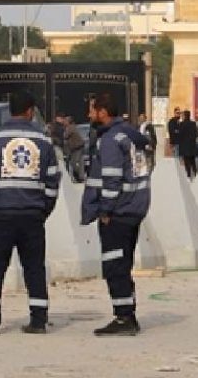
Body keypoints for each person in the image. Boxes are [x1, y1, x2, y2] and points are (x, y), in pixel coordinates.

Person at [0, 90, 60, 335]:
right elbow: (53, 180)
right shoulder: (43, 140)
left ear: (10, 109)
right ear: (31, 111)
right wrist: (45, 209)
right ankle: (39, 320)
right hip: (32, 214)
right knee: (34, 268)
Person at [82, 92, 151, 337]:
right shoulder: (131, 135)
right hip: (135, 207)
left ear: (103, 111)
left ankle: (124, 318)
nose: (89, 115)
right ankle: (128, 312)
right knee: (123, 263)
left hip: (118, 212)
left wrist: (105, 210)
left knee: (114, 265)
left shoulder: (111, 139)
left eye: (92, 110)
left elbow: (111, 178)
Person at [176, 110, 198, 178]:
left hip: (184, 146)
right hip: (192, 146)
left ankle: (188, 175)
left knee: (187, 163)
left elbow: (180, 135)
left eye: (182, 115)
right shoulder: (193, 123)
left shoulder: (181, 124)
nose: (181, 117)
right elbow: (196, 134)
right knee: (193, 162)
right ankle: (196, 174)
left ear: (185, 116)